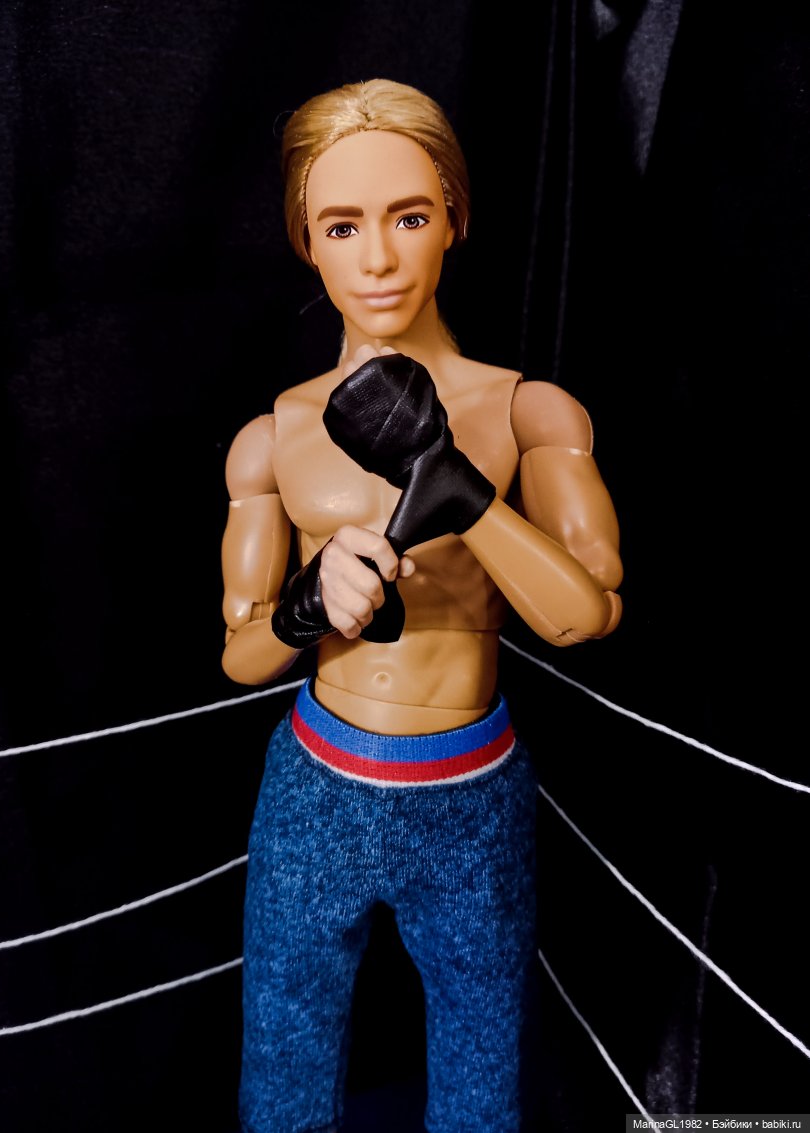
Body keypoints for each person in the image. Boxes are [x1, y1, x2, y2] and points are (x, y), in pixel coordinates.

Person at [221, 78, 622, 1133]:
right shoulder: (273, 435)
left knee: (482, 1074)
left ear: (453, 216)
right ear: (306, 242)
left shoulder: (529, 412)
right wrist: (305, 608)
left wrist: (465, 496)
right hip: (317, 785)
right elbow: (238, 653)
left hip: (470, 793)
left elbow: (587, 613)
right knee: (284, 1062)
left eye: (407, 216)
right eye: (341, 226)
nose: (379, 260)